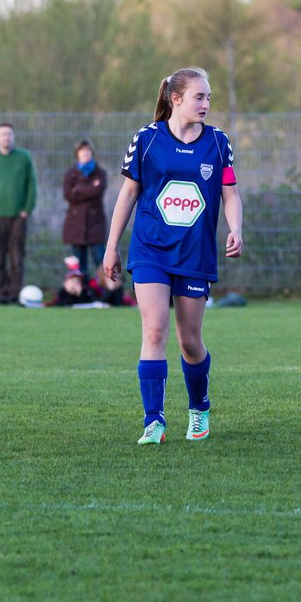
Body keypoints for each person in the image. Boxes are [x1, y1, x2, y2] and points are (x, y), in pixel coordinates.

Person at [103, 67, 243, 445]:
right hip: (150, 249)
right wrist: (111, 244)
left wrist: (235, 228)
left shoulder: (217, 142)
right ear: (175, 99)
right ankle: (154, 421)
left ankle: (199, 409)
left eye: (209, 97)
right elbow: (129, 194)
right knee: (153, 330)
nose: (206, 104)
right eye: (199, 97)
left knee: (189, 341)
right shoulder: (147, 139)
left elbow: (230, 193)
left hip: (195, 253)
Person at [0, 123, 38, 304]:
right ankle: (0, 293)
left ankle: (15, 293)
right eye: (3, 135)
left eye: (9, 134)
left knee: (17, 257)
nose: (7, 138)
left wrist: (26, 209)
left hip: (18, 216)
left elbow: (31, 185)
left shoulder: (24, 157)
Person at [63, 139, 109, 276]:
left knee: (101, 262)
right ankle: (83, 294)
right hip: (75, 225)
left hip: (95, 224)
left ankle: (108, 293)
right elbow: (68, 195)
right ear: (77, 154)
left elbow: (97, 191)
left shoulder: (100, 173)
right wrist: (90, 188)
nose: (86, 154)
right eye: (82, 151)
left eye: (88, 151)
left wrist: (78, 189)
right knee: (79, 267)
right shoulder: (70, 174)